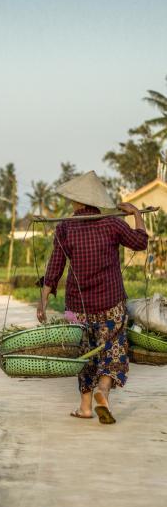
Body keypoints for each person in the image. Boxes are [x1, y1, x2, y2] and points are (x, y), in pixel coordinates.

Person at [37, 171, 148, 424]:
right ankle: (103, 391)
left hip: (76, 307)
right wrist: (137, 215)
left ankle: (86, 407)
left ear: (77, 202)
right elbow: (140, 242)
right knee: (114, 349)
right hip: (111, 303)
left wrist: (42, 299)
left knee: (84, 353)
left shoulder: (65, 228)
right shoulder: (112, 223)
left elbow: (55, 267)